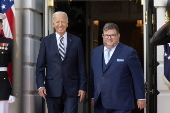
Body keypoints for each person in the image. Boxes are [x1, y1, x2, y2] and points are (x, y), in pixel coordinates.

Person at [36, 11, 87, 113]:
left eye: (63, 22)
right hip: (52, 88)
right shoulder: (46, 41)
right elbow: (40, 67)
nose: (60, 24)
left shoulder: (76, 41)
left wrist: (82, 87)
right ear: (53, 24)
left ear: (67, 24)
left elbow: (81, 66)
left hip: (72, 89)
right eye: (57, 22)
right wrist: (41, 85)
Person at [90, 23, 146, 113]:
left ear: (118, 36)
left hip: (121, 102)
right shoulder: (95, 52)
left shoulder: (129, 52)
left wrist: (141, 97)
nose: (109, 38)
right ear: (102, 36)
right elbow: (94, 76)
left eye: (113, 35)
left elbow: (137, 77)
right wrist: (93, 96)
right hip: (101, 102)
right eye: (107, 35)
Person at [0, 13, 15, 113]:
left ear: (1, 25)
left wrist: (14, 92)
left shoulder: (9, 43)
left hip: (2, 85)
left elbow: (17, 68)